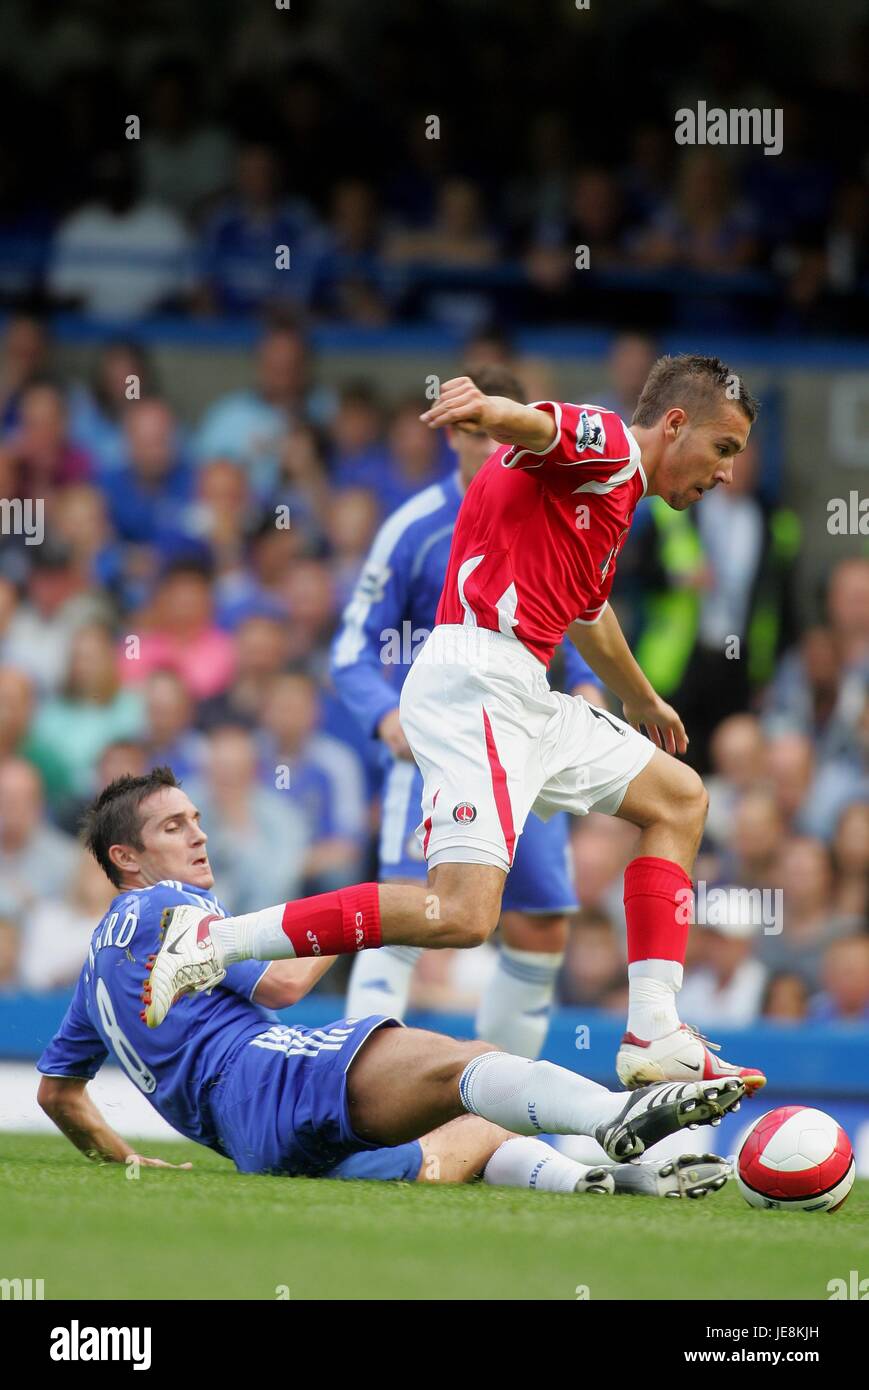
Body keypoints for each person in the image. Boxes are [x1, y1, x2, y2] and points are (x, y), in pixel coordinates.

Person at [144, 355, 767, 1096]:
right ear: (673, 425)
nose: (726, 472)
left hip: (520, 690)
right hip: (478, 680)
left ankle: (653, 1031)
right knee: (462, 915)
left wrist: (637, 695)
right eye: (722, 448)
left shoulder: (611, 496)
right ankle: (215, 941)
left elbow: (587, 611)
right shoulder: (606, 443)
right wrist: (490, 411)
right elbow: (537, 426)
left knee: (680, 798)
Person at [37, 768, 741, 1200]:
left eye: (195, 819)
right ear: (127, 859)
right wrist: (360, 917)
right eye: (172, 826)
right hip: (268, 1077)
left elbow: (58, 1092)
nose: (198, 836)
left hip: (248, 1142)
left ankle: (609, 1179)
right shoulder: (163, 905)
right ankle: (612, 1116)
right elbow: (280, 984)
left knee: (460, 1139)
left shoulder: (96, 966)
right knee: (465, 1062)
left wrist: (127, 1161)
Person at [331, 364, 601, 1059]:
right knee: (410, 911)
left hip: (522, 746)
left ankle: (504, 1101)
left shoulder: (553, 507)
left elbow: (569, 619)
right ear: (453, 433)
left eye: (507, 427)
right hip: (436, 744)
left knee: (540, 923)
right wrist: (384, 716)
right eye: (482, 431)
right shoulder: (414, 529)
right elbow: (350, 648)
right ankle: (355, 1081)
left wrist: (587, 688)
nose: (495, 445)